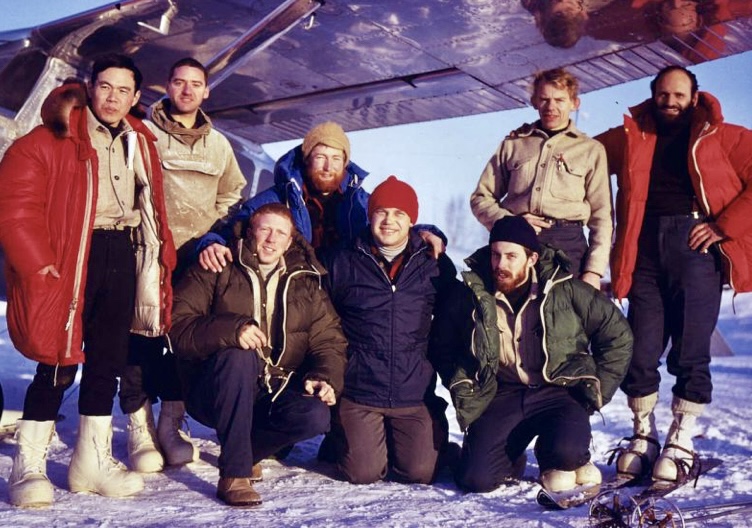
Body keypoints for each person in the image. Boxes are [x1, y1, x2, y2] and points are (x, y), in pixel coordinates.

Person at [0, 54, 176, 508]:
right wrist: (38, 263)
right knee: (57, 359)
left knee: (108, 361)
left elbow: (154, 205)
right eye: (105, 87)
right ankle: (29, 466)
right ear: (90, 88)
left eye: (123, 90)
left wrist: (160, 258)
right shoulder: (49, 138)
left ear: (136, 97)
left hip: (123, 251)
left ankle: (91, 462)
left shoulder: (141, 141)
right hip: (72, 256)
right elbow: (16, 204)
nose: (113, 97)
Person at [596, 65, 752, 482]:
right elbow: (582, 156)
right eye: (663, 94)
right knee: (640, 349)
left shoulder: (725, 135)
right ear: (653, 95)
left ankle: (681, 438)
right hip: (644, 249)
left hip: (695, 247)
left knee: (690, 350)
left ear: (694, 96)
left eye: (679, 94)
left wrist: (725, 226)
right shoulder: (633, 135)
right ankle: (643, 436)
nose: (670, 101)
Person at [430, 216, 632, 493]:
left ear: (532, 258)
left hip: (558, 392)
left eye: (512, 256)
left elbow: (617, 335)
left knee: (566, 452)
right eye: (496, 255)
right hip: (502, 394)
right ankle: (512, 457)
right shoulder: (472, 294)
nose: (501, 265)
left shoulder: (566, 289)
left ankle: (566, 459)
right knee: (475, 480)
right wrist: (462, 383)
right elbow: (443, 344)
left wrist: (595, 393)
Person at [169, 203, 347, 506]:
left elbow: (329, 341)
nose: (271, 239)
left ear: (290, 242)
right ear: (250, 232)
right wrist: (232, 330)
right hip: (213, 388)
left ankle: (244, 451)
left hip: (271, 391)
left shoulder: (306, 281)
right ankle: (234, 474)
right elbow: (177, 323)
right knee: (239, 355)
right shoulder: (218, 264)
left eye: (280, 233)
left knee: (315, 414)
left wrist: (323, 376)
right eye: (265, 229)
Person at [120, 57, 246, 473]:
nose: (188, 90)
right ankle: (139, 426)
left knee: (180, 340)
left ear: (207, 92)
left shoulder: (219, 145)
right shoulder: (143, 134)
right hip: (148, 253)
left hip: (194, 260)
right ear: (168, 86)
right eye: (180, 82)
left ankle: (172, 423)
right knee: (139, 338)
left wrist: (215, 233)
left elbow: (232, 195)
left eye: (196, 84)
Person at [321, 176, 456, 485]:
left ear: (413, 220)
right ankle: (344, 436)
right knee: (363, 473)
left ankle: (425, 431)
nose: (389, 221)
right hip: (360, 390)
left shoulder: (433, 263)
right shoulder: (341, 261)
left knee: (419, 473)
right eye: (381, 211)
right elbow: (320, 324)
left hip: (413, 392)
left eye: (399, 213)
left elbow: (453, 318)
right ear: (370, 215)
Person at [197, 121, 444, 272]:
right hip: (294, 288)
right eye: (321, 157)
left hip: (340, 293)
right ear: (307, 160)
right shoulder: (275, 199)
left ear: (345, 163)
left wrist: (425, 231)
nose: (329, 166)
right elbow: (231, 226)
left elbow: (391, 221)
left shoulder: (358, 201)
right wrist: (211, 244)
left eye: (336, 158)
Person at [470, 68, 611, 290]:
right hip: (516, 243)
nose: (551, 107)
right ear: (534, 101)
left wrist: (593, 271)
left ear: (575, 103)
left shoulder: (591, 150)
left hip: (568, 246)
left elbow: (602, 218)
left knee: (563, 319)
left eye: (559, 100)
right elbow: (480, 198)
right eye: (544, 99)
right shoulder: (513, 144)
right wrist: (509, 223)